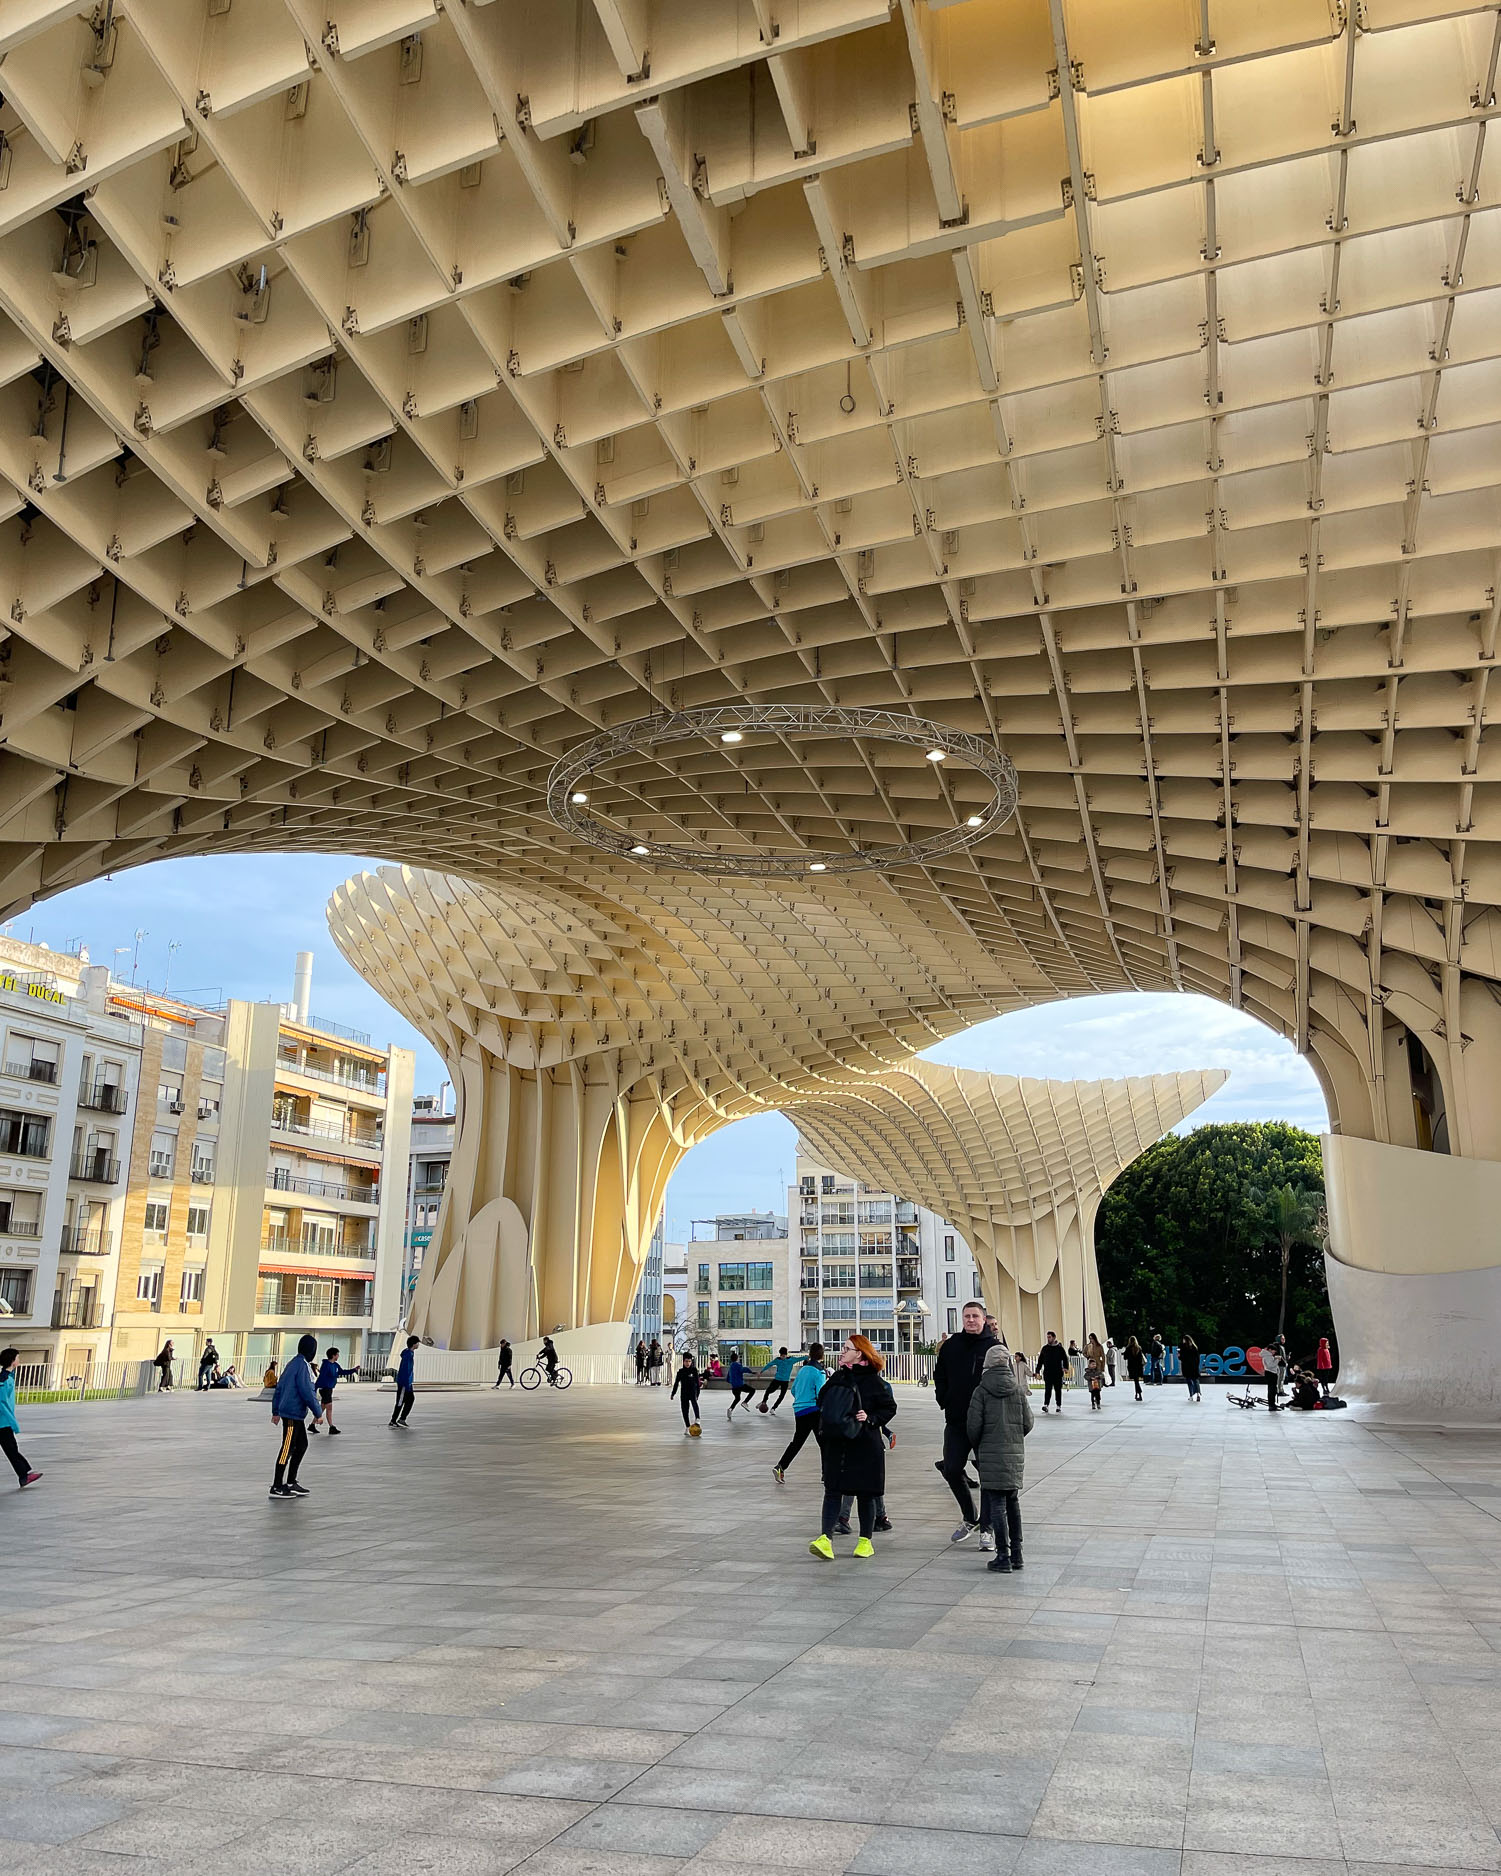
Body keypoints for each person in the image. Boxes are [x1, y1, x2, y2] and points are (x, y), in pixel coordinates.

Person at [809, 1334, 896, 1560]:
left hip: (865, 1444)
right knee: (832, 1491)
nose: (841, 1352)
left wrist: (870, 1418)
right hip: (838, 1444)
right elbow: (821, 1401)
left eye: (846, 1348)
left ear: (859, 1353)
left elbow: (889, 1407)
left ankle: (865, 1541)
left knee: (865, 1494)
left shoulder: (873, 1381)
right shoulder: (838, 1377)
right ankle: (825, 1539)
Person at [932, 1299, 998, 1545]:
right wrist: (944, 1399)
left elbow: (1004, 1381)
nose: (971, 1320)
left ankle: (987, 1528)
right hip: (957, 1420)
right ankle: (970, 1517)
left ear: (984, 1320)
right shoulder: (951, 1346)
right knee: (951, 1469)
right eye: (967, 1316)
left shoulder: (993, 1347)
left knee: (989, 1476)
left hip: (986, 1423)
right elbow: (940, 1375)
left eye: (975, 1316)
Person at [967, 1343, 1033, 1571]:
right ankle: (1017, 1554)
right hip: (1013, 1454)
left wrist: (981, 1444)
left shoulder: (981, 1391)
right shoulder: (1017, 1390)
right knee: (1013, 1502)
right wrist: (1013, 1436)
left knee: (996, 1503)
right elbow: (1028, 1422)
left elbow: (973, 1427)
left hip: (990, 1453)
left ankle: (1002, 1556)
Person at [270, 1333, 324, 1497]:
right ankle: (277, 1485)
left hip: (294, 1414)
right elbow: (307, 1391)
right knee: (287, 1448)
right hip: (292, 1414)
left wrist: (276, 1410)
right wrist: (317, 1412)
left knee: (301, 1445)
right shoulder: (302, 1366)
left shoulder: (293, 1363)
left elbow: (279, 1387)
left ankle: (291, 1482)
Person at [773, 1344, 826, 1480]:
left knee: (797, 1442)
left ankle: (780, 1466)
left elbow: (794, 1390)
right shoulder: (819, 1372)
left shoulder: (803, 1370)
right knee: (824, 1443)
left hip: (799, 1411)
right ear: (822, 1355)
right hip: (814, 1410)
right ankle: (827, 1474)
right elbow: (821, 1393)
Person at [0, 1349, 40, 1489]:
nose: (19, 1360)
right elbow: (2, 1403)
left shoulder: (8, 1377)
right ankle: (24, 1475)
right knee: (11, 1449)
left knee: (11, 1449)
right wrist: (13, 1423)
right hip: (2, 1423)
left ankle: (25, 1475)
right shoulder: (4, 1380)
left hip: (4, 1422)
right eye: (17, 1357)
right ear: (12, 1360)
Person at [313, 1346, 355, 1435]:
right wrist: (316, 1387)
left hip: (329, 1388)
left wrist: (353, 1370)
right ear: (333, 1355)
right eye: (337, 1354)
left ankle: (312, 1425)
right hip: (325, 1389)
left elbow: (342, 1372)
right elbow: (322, 1377)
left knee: (323, 1407)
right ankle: (331, 1426)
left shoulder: (335, 1365)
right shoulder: (326, 1365)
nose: (338, 1356)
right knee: (329, 1408)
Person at [758, 1346, 799, 1413]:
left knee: (782, 1395)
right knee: (768, 1390)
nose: (782, 1357)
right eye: (781, 1356)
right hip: (777, 1379)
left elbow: (801, 1358)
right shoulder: (777, 1360)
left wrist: (810, 1356)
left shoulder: (791, 1360)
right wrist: (761, 1371)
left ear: (786, 1354)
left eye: (784, 1356)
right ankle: (764, 1402)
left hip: (785, 1381)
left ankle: (773, 1408)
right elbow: (769, 1365)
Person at [389, 1334, 418, 1428]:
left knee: (410, 1399)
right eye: (417, 1343)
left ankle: (402, 1419)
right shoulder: (408, 1355)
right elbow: (405, 1370)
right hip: (404, 1383)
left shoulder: (409, 1353)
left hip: (408, 1382)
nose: (418, 1345)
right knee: (400, 1401)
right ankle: (393, 1420)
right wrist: (406, 1383)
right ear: (414, 1344)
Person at [1036, 1331, 1069, 1414]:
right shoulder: (1045, 1348)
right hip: (1048, 1373)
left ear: (1054, 1338)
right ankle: (1046, 1405)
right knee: (1048, 1390)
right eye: (1047, 1337)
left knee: (1058, 1390)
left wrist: (1065, 1367)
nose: (1048, 1339)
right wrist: (1037, 1371)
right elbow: (1040, 1361)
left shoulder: (1059, 1348)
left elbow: (1065, 1358)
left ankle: (1058, 1405)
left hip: (1057, 1373)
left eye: (1050, 1337)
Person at [671, 1351, 702, 1434]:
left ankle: (697, 1418)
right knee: (685, 1410)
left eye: (689, 1361)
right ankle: (687, 1426)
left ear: (691, 1362)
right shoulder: (680, 1372)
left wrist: (697, 1393)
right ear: (683, 1361)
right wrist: (673, 1393)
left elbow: (697, 1383)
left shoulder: (694, 1370)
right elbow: (676, 1383)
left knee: (694, 1403)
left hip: (692, 1391)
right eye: (686, 1361)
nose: (688, 1363)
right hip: (684, 1393)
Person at [726, 1349, 757, 1418]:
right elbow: (743, 1369)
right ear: (737, 1359)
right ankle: (745, 1402)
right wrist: (751, 1372)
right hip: (740, 1384)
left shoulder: (731, 1367)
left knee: (737, 1398)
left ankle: (730, 1409)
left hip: (734, 1387)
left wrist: (730, 1381)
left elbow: (728, 1377)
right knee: (752, 1390)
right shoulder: (737, 1365)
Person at [1262, 1334, 1286, 1411]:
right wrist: (1277, 1360)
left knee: (1273, 1390)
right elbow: (1270, 1365)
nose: (1274, 1353)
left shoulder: (1268, 1355)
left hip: (1272, 1373)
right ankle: (1271, 1405)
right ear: (1269, 1350)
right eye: (1273, 1351)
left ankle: (1272, 1404)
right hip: (1270, 1373)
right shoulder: (1267, 1356)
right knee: (1272, 1390)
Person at [1084, 1337, 1105, 1410]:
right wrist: (1087, 1356)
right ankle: (1093, 1403)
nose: (1091, 1340)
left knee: (1098, 1393)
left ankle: (1098, 1402)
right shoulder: (1088, 1346)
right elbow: (1086, 1376)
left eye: (1092, 1338)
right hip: (1091, 1385)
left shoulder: (1099, 1346)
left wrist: (1102, 1367)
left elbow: (1103, 1355)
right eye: (1090, 1338)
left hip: (1097, 1382)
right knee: (1093, 1394)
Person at [1181, 1334, 1202, 1403]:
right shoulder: (1194, 1347)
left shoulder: (1184, 1347)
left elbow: (1182, 1358)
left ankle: (1191, 1395)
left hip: (1187, 1367)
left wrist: (1179, 1356)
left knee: (1189, 1382)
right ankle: (1198, 1394)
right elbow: (1198, 1358)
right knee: (1196, 1380)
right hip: (1194, 1367)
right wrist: (1196, 1365)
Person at [1124, 1335, 1145, 1402]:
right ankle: (1137, 1394)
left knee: (1136, 1381)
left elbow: (1125, 1357)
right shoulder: (1139, 1348)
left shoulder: (1128, 1348)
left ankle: (1139, 1393)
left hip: (1131, 1366)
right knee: (1136, 1381)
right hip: (1138, 1367)